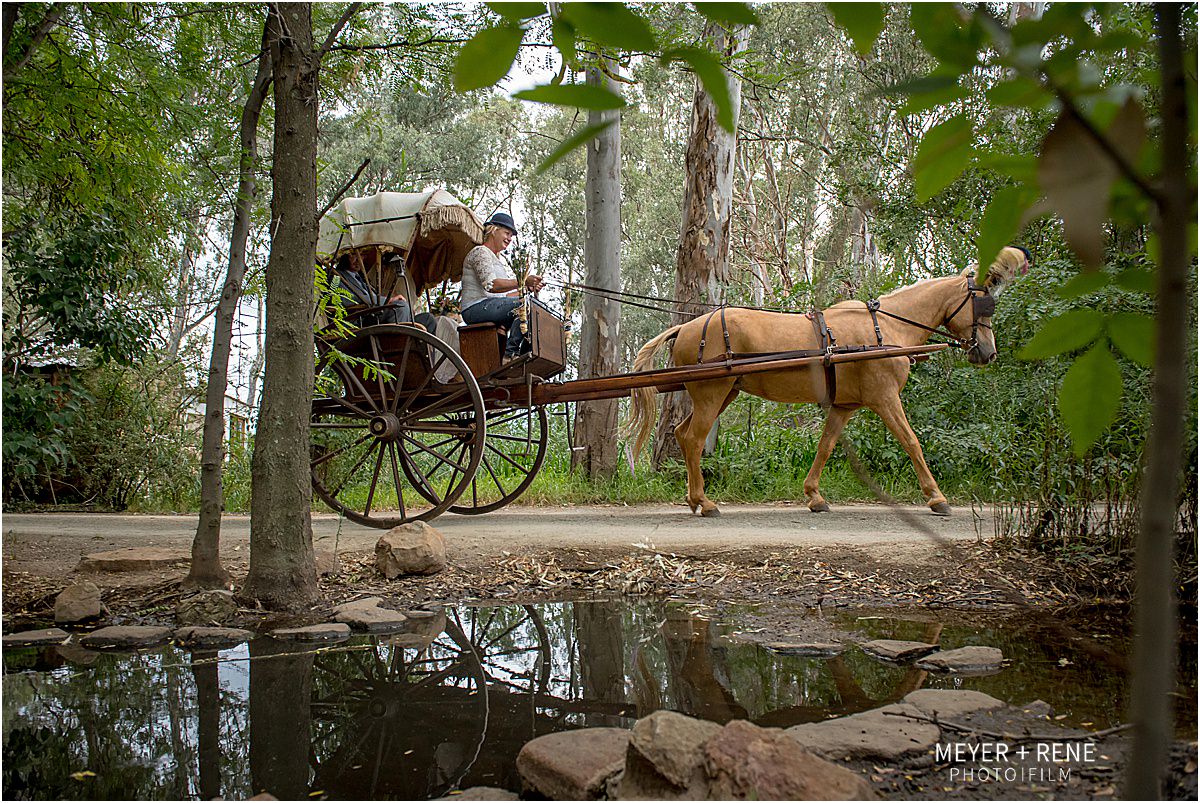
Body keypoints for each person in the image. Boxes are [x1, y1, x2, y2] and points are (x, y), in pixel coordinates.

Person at [460, 211, 546, 359]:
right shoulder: (480, 252)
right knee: (526, 305)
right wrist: (523, 281)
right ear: (493, 230)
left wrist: (527, 289)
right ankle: (509, 355)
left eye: (511, 236)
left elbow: (504, 296)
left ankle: (526, 357)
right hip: (474, 308)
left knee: (536, 307)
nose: (509, 239)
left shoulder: (497, 261)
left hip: (491, 305)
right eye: (507, 233)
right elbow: (491, 285)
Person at [334, 250, 436, 331]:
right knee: (400, 306)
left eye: (362, 255)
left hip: (376, 315)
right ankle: (399, 345)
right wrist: (389, 300)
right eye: (353, 255)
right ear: (344, 256)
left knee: (428, 319)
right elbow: (348, 299)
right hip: (360, 320)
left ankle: (420, 354)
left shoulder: (361, 278)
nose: (359, 259)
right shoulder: (337, 276)